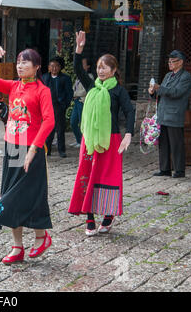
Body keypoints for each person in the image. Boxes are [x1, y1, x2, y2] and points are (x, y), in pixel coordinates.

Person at [0, 45, 55, 265]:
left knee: (31, 195)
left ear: (36, 67)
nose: (20, 65)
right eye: (18, 61)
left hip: (32, 150)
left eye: (25, 62)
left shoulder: (43, 91)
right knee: (10, 193)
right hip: (12, 148)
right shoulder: (14, 86)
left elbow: (49, 121)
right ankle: (17, 247)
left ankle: (41, 236)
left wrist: (34, 149)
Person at [68, 31, 135, 236]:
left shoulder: (118, 91)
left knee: (109, 177)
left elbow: (129, 111)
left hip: (111, 139)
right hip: (90, 138)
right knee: (87, 173)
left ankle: (108, 215)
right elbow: (78, 70)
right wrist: (78, 50)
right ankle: (89, 217)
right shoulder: (92, 86)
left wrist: (128, 134)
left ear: (114, 70)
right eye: (98, 67)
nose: (101, 71)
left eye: (105, 68)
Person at [149, 50, 191, 178]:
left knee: (176, 143)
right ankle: (165, 169)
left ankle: (179, 170)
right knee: (163, 143)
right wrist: (152, 91)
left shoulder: (185, 76)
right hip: (163, 113)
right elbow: (162, 92)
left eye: (172, 61)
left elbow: (176, 92)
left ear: (180, 62)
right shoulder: (168, 75)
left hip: (174, 114)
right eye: (169, 61)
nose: (170, 64)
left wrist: (159, 88)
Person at [42, 57, 73, 158]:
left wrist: (64, 105)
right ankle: (48, 149)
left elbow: (69, 93)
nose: (54, 68)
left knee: (60, 129)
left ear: (60, 67)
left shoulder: (65, 78)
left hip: (59, 106)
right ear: (48, 67)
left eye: (56, 66)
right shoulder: (44, 77)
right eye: (52, 66)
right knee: (48, 128)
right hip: (47, 106)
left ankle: (61, 150)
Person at [70, 57, 94, 148]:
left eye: (83, 64)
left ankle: (84, 142)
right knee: (73, 122)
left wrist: (76, 94)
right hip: (77, 101)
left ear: (88, 66)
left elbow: (86, 90)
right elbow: (74, 87)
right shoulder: (78, 77)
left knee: (82, 122)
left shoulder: (89, 77)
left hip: (82, 101)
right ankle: (79, 140)